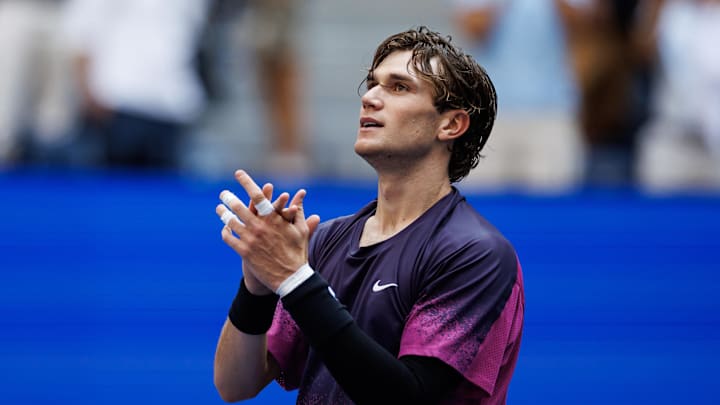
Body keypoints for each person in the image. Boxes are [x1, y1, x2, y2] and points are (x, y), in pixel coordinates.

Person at [213, 26, 525, 404]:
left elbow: (406, 396)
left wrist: (293, 280)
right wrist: (257, 286)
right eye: (372, 84)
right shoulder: (327, 239)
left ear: (451, 124)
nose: (370, 97)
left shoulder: (476, 254)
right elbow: (234, 385)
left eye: (399, 87)